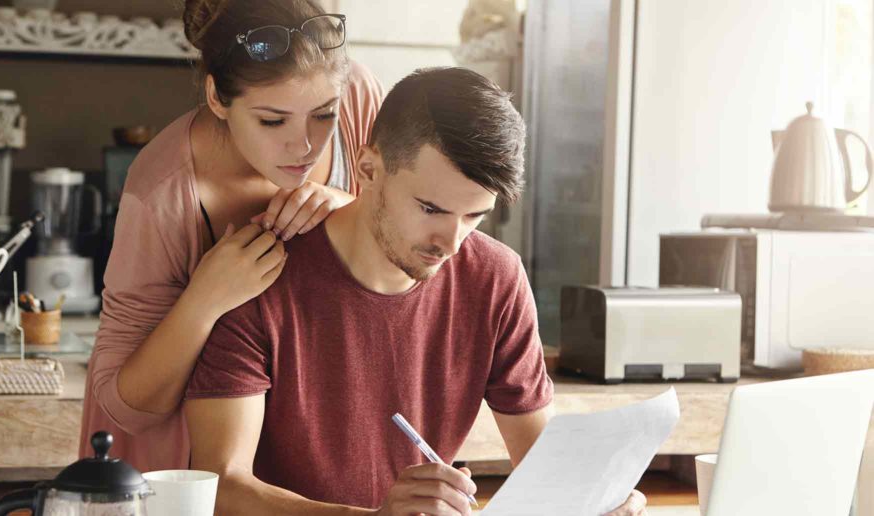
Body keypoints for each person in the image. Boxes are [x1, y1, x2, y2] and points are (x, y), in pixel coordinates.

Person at [184, 67, 647, 515]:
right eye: (431, 208)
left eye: (474, 216)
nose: (451, 244)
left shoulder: (496, 278)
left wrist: (591, 499)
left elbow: (545, 470)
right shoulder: (259, 276)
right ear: (368, 168)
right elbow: (220, 484)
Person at [79, 0, 383, 473]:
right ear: (218, 98)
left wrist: (354, 210)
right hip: (190, 468)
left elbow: (414, 230)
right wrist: (204, 300)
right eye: (272, 120)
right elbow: (127, 408)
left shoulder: (358, 94)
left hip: (319, 443)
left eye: (323, 115)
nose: (303, 145)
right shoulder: (161, 191)